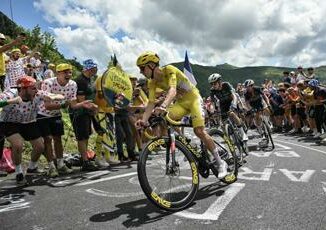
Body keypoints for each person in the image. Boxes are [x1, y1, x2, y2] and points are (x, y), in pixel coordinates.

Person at [135, 51, 228, 178]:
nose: (140, 72)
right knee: (165, 119)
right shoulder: (152, 83)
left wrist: (163, 106)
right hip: (181, 104)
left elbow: (172, 90)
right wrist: (144, 120)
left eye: (142, 68)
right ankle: (190, 145)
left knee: (199, 131)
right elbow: (151, 103)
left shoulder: (169, 70)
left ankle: (220, 162)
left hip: (194, 99)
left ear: (151, 65)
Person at [0, 76, 62, 184]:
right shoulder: (12, 93)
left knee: (40, 146)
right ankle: (19, 173)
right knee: (18, 144)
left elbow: (55, 96)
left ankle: (32, 168)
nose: (36, 91)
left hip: (29, 122)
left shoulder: (37, 94)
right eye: (33, 88)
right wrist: (11, 101)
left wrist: (55, 97)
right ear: (23, 89)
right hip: (9, 122)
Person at [70, 59, 100, 171]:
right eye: (94, 69)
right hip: (80, 113)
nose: (96, 70)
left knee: (86, 136)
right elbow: (81, 100)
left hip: (87, 112)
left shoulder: (89, 79)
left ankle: (85, 158)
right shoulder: (80, 81)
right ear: (88, 68)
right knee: (82, 137)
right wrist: (93, 108)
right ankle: (85, 161)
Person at [208, 73, 248, 141]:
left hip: (232, 100)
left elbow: (234, 95)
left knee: (232, 113)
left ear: (219, 82)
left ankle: (243, 133)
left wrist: (234, 105)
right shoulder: (212, 90)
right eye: (211, 84)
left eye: (214, 84)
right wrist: (212, 111)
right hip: (223, 103)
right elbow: (212, 103)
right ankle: (231, 137)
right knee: (223, 123)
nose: (213, 86)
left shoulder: (226, 85)